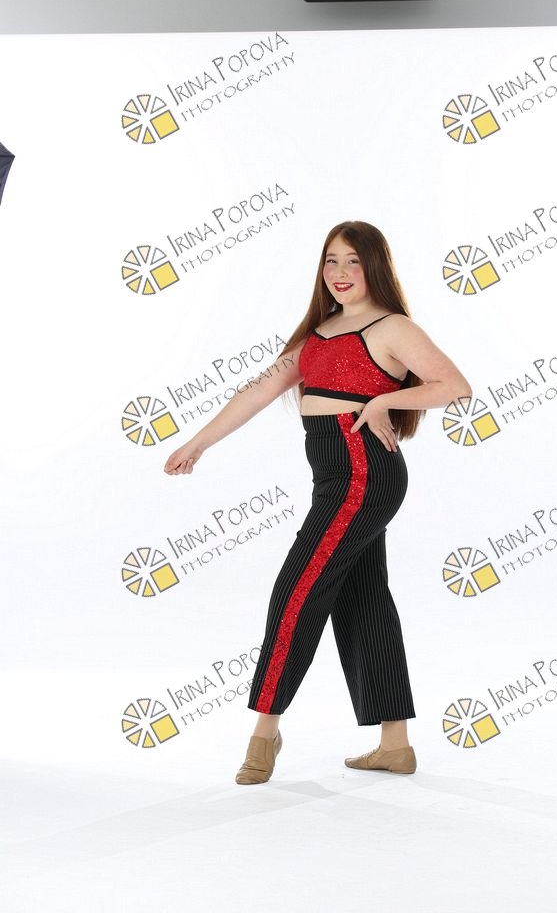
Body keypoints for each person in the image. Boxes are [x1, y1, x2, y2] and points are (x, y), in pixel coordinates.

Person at [164, 220, 472, 784]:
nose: (340, 272)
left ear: (374, 265)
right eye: (331, 260)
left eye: (353, 260)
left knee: (298, 591)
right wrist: (197, 443)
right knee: (364, 599)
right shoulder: (318, 334)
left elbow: (454, 386)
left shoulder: (392, 327)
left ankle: (264, 732)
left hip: (363, 474)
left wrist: (382, 403)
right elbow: (258, 390)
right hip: (335, 476)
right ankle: (395, 745)